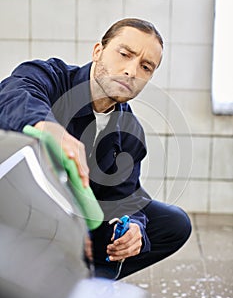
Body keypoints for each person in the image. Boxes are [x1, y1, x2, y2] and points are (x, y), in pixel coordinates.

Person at [0, 18, 191, 279]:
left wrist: (133, 227)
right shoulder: (53, 78)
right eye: (124, 54)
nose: (131, 71)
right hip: (21, 212)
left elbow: (124, 196)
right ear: (98, 51)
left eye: (145, 67)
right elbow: (14, 92)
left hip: (76, 219)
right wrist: (48, 127)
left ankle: (88, 284)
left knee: (173, 223)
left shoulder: (130, 131)